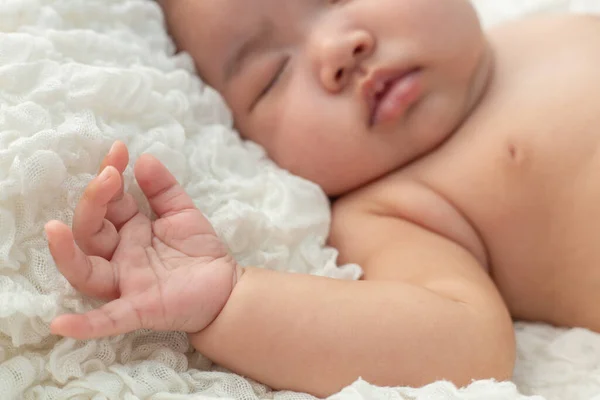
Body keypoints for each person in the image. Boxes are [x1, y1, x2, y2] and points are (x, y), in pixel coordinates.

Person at [44, 0, 600, 397]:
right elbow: (467, 343)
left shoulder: (548, 26)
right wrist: (228, 299)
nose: (338, 48)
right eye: (273, 75)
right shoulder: (394, 206)